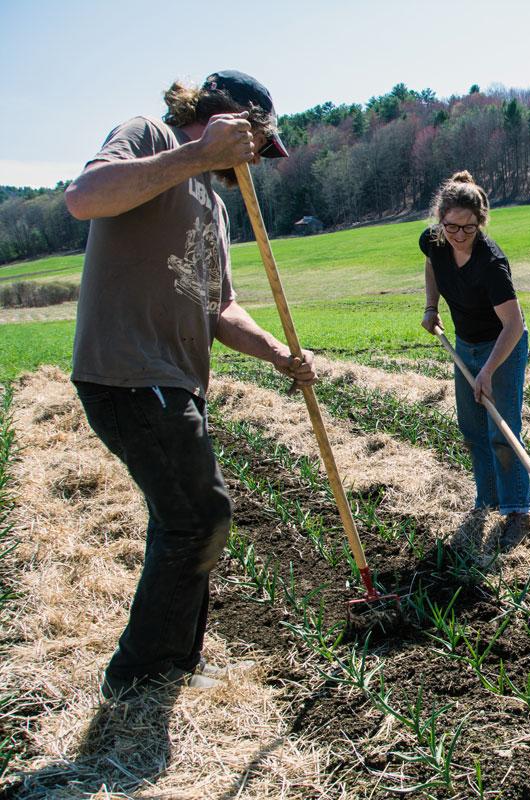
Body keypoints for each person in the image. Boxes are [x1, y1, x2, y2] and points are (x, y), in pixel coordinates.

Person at [64, 70, 316, 699]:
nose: (256, 157)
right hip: (127, 372)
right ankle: (141, 674)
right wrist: (196, 154)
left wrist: (279, 353)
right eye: (257, 140)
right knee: (201, 515)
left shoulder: (217, 207)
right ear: (227, 117)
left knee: (186, 516)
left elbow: (220, 309)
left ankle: (169, 665)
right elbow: (84, 197)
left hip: (174, 383)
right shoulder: (148, 136)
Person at [419, 172, 530, 548]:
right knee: (471, 428)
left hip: (502, 345)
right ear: (440, 220)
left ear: (480, 223)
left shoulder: (492, 263)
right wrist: (431, 306)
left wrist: (487, 371)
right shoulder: (434, 240)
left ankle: (517, 511)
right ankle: (487, 501)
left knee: (502, 432)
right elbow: (432, 265)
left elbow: (514, 325)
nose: (459, 235)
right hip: (465, 344)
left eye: (468, 228)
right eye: (451, 226)